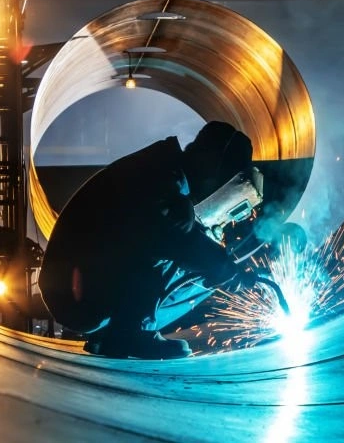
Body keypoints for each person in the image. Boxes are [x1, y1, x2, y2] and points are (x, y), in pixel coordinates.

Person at [38, 121, 255, 359]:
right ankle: (132, 333)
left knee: (205, 261)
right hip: (77, 298)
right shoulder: (160, 179)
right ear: (210, 162)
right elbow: (171, 240)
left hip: (77, 288)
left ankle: (114, 333)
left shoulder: (163, 171)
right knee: (199, 260)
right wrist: (226, 269)